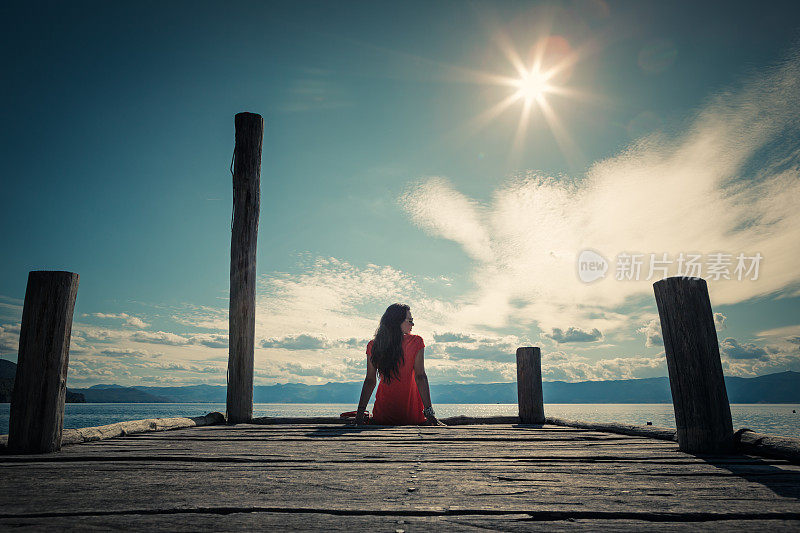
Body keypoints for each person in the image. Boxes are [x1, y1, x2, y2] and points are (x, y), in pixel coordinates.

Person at [353, 303, 444, 426]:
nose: (412, 324)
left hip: (382, 416)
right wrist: (430, 414)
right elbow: (420, 377)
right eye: (410, 320)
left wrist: (359, 415)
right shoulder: (416, 342)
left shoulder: (374, 345)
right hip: (412, 417)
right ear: (397, 321)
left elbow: (370, 381)